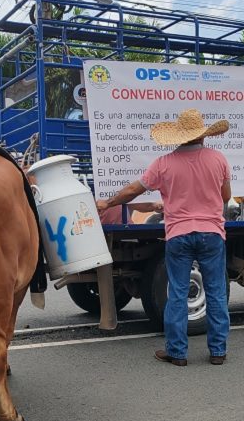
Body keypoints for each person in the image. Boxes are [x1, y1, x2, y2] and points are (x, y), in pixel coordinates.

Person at [97, 109, 232, 366]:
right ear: (203, 135)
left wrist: (108, 202)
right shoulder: (218, 159)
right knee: (216, 292)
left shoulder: (163, 163)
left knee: (178, 293)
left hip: (179, 234)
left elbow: (133, 190)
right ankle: (218, 351)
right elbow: (226, 196)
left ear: (179, 136)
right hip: (212, 233)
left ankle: (177, 353)